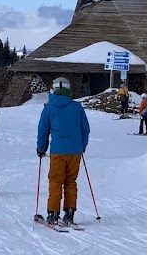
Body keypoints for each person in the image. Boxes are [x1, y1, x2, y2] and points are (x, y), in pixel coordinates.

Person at [36, 77, 91, 226]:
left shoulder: (49, 108)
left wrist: (41, 148)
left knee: (55, 180)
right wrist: (82, 145)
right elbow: (85, 129)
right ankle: (70, 212)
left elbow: (43, 130)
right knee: (70, 181)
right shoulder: (76, 107)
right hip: (75, 151)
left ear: (54, 89)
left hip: (58, 151)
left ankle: (53, 212)